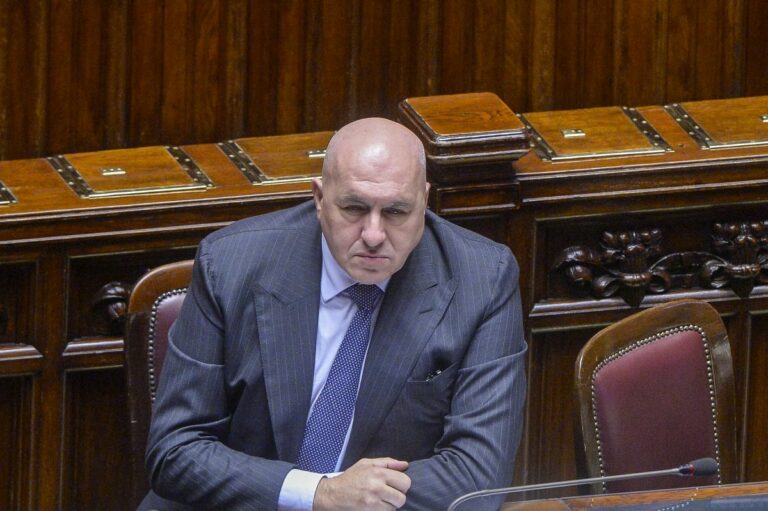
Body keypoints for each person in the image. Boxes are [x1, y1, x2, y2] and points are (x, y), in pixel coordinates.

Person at [139, 117, 527, 511]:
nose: (373, 235)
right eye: (354, 208)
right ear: (320, 199)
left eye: (396, 211)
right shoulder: (230, 264)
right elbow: (175, 450)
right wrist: (320, 494)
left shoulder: (482, 280)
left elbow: (478, 475)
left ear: (424, 202)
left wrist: (363, 500)